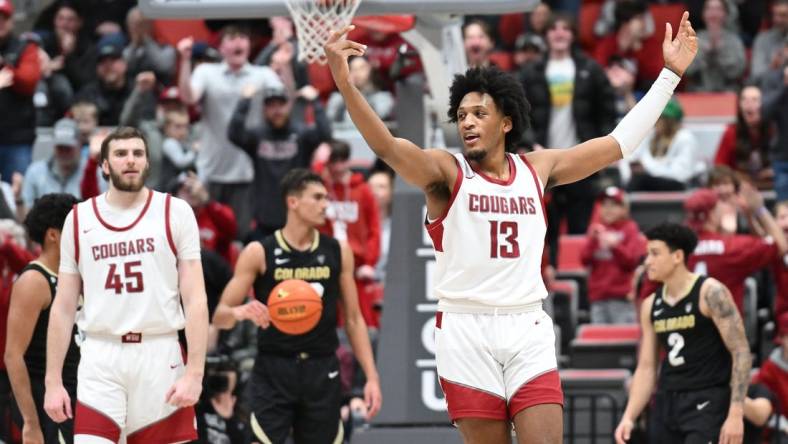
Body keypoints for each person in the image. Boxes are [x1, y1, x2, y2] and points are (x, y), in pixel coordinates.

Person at [324, 10, 698, 442]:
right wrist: (346, 84)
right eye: (461, 114)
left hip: (526, 325)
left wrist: (669, 74)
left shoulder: (537, 169)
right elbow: (387, 146)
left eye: (479, 112)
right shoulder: (446, 173)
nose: (466, 121)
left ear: (506, 122)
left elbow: (617, 144)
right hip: (465, 328)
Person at [43, 127, 209, 443]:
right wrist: (53, 381)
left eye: (137, 153)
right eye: (120, 154)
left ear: (147, 162)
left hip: (160, 353)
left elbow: (196, 298)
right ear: (104, 165)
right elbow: (63, 307)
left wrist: (195, 374)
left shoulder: (175, 212)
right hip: (100, 354)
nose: (130, 161)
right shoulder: (78, 219)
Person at [212, 169, 382, 443]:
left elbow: (353, 320)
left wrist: (372, 377)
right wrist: (239, 312)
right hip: (273, 368)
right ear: (293, 202)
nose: (326, 204)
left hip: (322, 367)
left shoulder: (338, 251)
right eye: (317, 197)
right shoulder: (259, 252)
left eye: (326, 198)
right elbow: (220, 317)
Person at [614, 222, 751, 444]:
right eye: (647, 253)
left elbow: (741, 352)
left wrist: (735, 414)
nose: (648, 261)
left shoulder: (711, 292)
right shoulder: (651, 304)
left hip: (707, 399)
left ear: (677, 256)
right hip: (667, 400)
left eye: (655, 253)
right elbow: (647, 367)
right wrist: (629, 416)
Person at [177, 25, 284, 240]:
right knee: (206, 237)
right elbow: (189, 97)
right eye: (232, 38)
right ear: (222, 47)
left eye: (243, 37)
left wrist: (286, 66)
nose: (239, 42)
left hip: (246, 173)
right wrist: (185, 60)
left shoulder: (262, 74)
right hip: (210, 170)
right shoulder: (206, 72)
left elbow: (285, 99)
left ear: (249, 44)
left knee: (242, 237)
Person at [4, 193, 80, 444]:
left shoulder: (77, 276)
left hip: (80, 392)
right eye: (75, 228)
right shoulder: (34, 280)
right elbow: (13, 356)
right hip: (45, 398)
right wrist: (30, 423)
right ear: (53, 235)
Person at [228, 84, 331, 241]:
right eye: (271, 106)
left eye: (281, 105)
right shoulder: (257, 136)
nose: (277, 111)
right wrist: (245, 101)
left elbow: (325, 133)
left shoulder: (301, 134)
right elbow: (234, 134)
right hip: (265, 220)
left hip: (298, 217)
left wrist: (315, 101)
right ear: (264, 109)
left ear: (288, 107)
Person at [319, 140, 381, 328]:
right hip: (327, 265)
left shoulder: (363, 191)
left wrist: (370, 262)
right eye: (332, 162)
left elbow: (374, 229)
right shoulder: (320, 190)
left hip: (357, 267)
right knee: (328, 321)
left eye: (341, 161)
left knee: (360, 320)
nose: (337, 167)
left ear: (348, 161)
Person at [580, 187, 644, 324]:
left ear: (624, 209)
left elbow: (632, 261)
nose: (608, 209)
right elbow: (584, 260)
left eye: (614, 205)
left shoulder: (630, 228)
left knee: (622, 342)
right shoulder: (596, 229)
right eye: (604, 205)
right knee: (599, 342)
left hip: (621, 299)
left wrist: (615, 246)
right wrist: (592, 240)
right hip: (598, 299)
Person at [0, 0, 41, 181]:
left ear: (11, 21)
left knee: (18, 195)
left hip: (16, 139)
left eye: (4, 18)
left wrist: (5, 66)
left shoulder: (25, 47)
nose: (0, 23)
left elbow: (29, 81)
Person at [625, 99, 701, 191]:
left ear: (669, 121)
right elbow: (632, 157)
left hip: (678, 185)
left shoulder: (685, 138)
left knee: (640, 180)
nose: (654, 122)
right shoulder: (651, 135)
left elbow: (681, 174)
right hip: (650, 181)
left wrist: (647, 169)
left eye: (658, 118)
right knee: (635, 179)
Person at [714, 84, 775, 190]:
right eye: (744, 99)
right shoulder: (731, 132)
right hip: (740, 191)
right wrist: (736, 177)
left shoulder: (776, 131)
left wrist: (775, 170)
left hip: (775, 188)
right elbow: (719, 168)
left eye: (755, 100)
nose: (748, 103)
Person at [685, 0, 746, 92]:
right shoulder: (693, 39)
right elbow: (687, 71)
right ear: (703, 14)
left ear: (725, 14)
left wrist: (720, 54)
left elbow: (739, 72)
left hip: (728, 92)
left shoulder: (734, 41)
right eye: (709, 8)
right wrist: (705, 55)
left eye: (718, 9)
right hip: (699, 92)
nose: (713, 13)